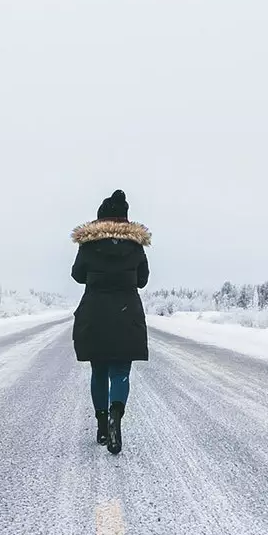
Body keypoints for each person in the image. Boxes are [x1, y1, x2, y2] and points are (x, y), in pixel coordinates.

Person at [70, 190, 151, 455]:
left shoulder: (89, 245)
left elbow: (77, 275)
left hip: (95, 312)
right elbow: (142, 280)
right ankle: (117, 412)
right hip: (127, 313)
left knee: (99, 371)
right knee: (120, 372)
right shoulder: (136, 246)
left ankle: (103, 424)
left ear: (100, 219)